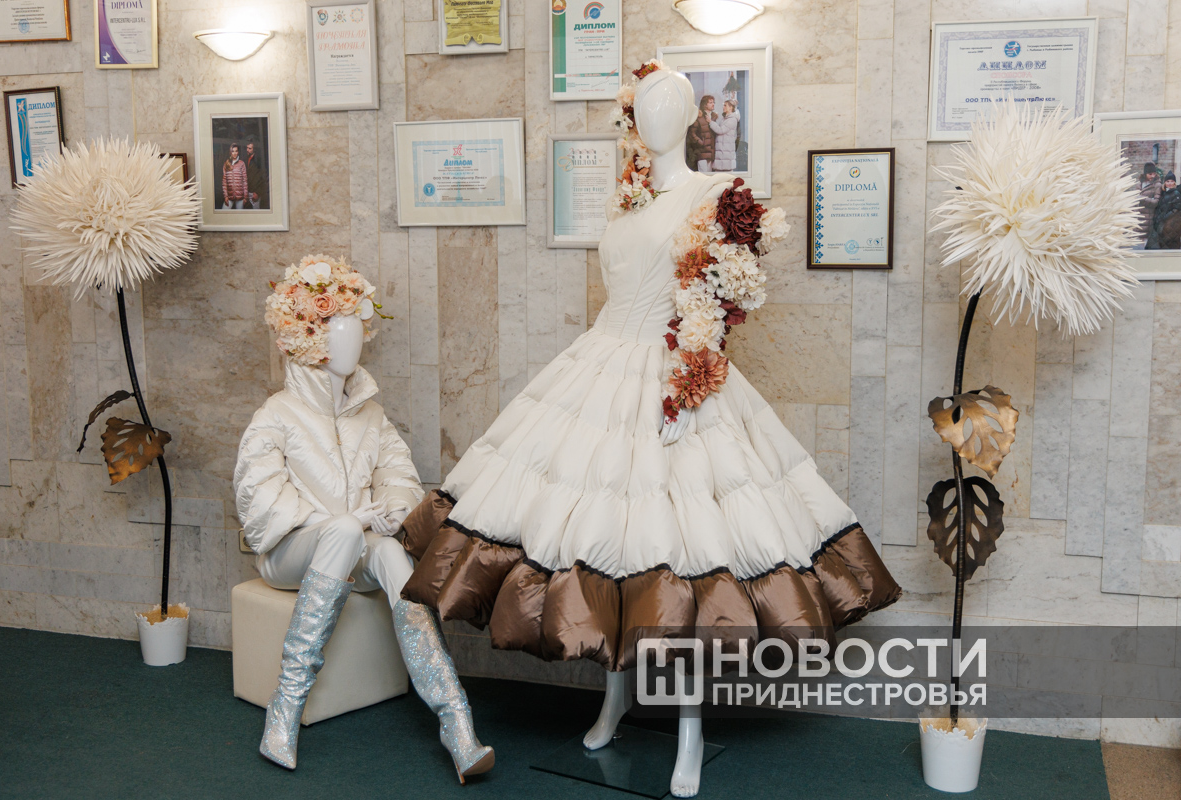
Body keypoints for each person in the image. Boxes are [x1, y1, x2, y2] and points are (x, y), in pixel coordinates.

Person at [398, 65, 900, 798]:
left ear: (693, 116)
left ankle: (688, 731)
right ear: (633, 117)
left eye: (671, 105)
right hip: (601, 368)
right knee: (615, 547)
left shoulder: (715, 194)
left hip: (677, 378)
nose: (655, 117)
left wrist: (689, 381)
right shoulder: (628, 194)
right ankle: (616, 697)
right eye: (646, 105)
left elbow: (716, 307)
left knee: (680, 556)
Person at [236, 255, 494, 780]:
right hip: (290, 554)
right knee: (344, 529)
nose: (351, 341)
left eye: (356, 329)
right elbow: (257, 506)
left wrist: (391, 511)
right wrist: (344, 517)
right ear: (309, 339)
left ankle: (456, 721)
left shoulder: (371, 415)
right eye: (338, 330)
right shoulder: (276, 415)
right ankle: (284, 711)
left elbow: (399, 476)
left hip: (353, 548)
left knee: (392, 554)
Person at [1148, 171, 1181, 250]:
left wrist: (1164, 218)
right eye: (1168, 181)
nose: (1169, 183)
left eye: (1172, 181)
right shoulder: (1163, 193)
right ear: (1165, 182)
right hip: (1161, 225)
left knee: (1170, 248)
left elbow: (1176, 209)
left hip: (1171, 226)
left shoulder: (1176, 193)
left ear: (1174, 183)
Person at [685, 94, 716, 172]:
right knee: (703, 175)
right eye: (710, 102)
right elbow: (692, 133)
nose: (713, 104)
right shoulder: (699, 116)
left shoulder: (713, 117)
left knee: (709, 175)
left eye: (713, 102)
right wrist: (701, 143)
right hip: (701, 152)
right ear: (705, 105)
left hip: (711, 153)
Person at [1135, 162, 1161, 250]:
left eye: (1154, 173)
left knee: (1145, 243)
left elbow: (1155, 202)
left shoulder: (1157, 185)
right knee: (1138, 243)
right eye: (1150, 174)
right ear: (1145, 173)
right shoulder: (1139, 184)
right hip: (1138, 217)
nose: (1153, 176)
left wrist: (1142, 198)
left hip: (1148, 218)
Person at [709, 98, 740, 172]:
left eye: (725, 105)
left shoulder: (732, 120)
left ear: (731, 107)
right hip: (722, 153)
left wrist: (710, 122)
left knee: (726, 175)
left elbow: (720, 130)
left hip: (726, 154)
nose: (723, 107)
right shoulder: (725, 119)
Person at [221, 143, 248, 210]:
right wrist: (226, 196)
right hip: (229, 197)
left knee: (239, 216)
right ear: (230, 152)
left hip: (240, 197)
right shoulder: (226, 164)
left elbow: (245, 181)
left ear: (238, 152)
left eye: (236, 151)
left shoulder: (241, 163)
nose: (234, 153)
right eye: (233, 151)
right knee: (223, 213)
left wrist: (245, 197)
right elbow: (224, 182)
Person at [245, 141, 269, 210]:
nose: (247, 150)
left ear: (254, 149)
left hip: (255, 192)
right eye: (247, 148)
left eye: (249, 148)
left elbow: (263, 178)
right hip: (248, 191)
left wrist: (258, 193)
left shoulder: (258, 161)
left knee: (256, 210)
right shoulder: (246, 159)